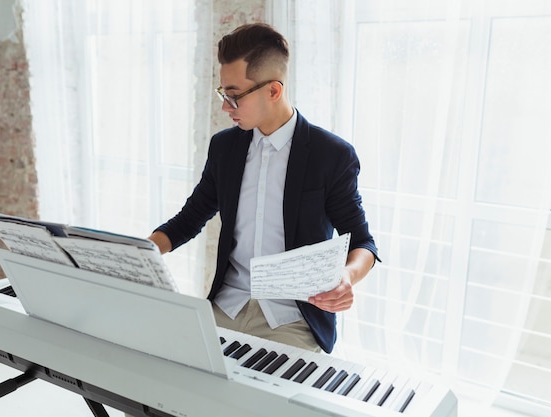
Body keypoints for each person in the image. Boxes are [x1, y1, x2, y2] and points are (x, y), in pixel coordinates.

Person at [149, 23, 379, 354]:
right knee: (160, 388)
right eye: (223, 93)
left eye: (234, 95)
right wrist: (141, 253)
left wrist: (347, 277)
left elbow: (362, 243)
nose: (226, 107)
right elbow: (191, 217)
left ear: (273, 91)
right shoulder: (224, 148)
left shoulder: (332, 155)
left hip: (293, 320)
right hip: (224, 308)